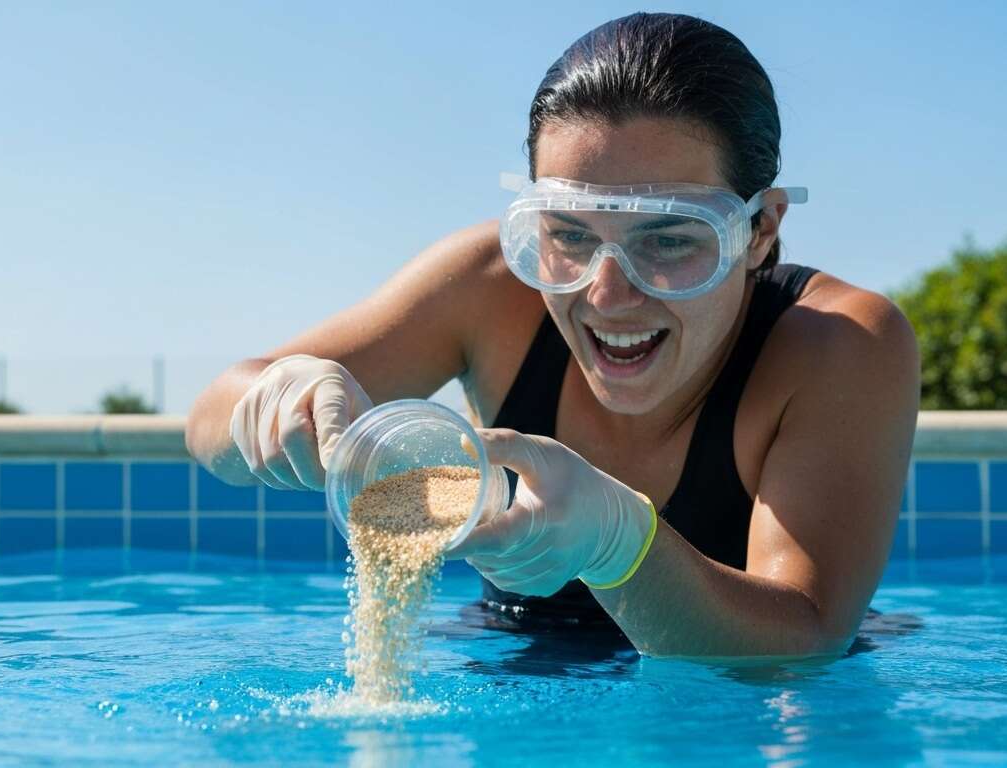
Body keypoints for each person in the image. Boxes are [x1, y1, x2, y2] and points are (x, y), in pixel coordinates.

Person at [186, 12, 919, 658]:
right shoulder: (491, 290)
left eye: (667, 241)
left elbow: (803, 641)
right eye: (568, 235)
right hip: (520, 657)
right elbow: (210, 420)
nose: (605, 293)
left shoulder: (837, 344)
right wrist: (274, 400)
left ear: (759, 231)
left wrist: (620, 544)